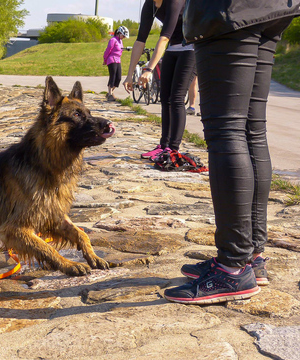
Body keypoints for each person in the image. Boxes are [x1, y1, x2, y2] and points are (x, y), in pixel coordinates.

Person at [163, 1, 300, 305]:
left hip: (229, 9)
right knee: (252, 129)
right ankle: (251, 256)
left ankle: (232, 269)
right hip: (276, 7)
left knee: (227, 130)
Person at [124, 0, 196, 161]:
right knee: (165, 98)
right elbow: (140, 40)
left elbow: (164, 37)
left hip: (191, 48)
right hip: (172, 48)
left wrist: (149, 69)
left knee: (176, 97)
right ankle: (164, 146)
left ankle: (173, 149)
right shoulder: (150, 4)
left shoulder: (174, 1)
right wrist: (129, 75)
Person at [103, 26, 129, 101]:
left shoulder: (120, 41)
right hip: (111, 59)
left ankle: (110, 92)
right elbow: (108, 50)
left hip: (118, 60)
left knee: (119, 78)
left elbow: (120, 49)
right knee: (113, 76)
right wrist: (105, 59)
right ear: (119, 33)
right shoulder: (113, 40)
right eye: (123, 35)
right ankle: (110, 94)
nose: (124, 37)